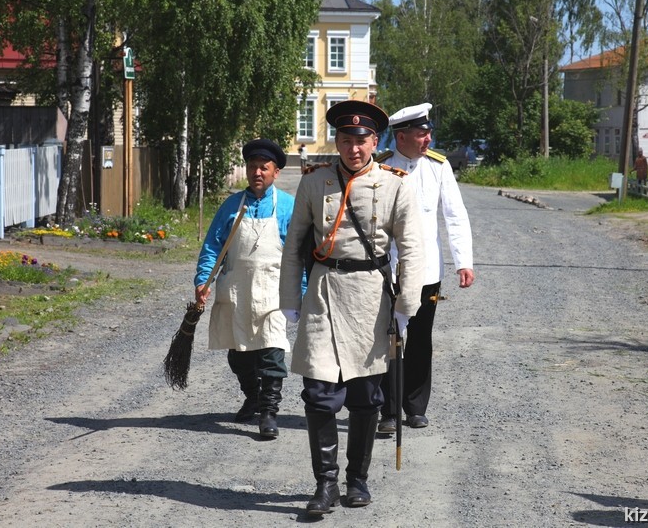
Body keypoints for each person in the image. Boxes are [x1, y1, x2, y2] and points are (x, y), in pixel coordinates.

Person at [279, 100, 425, 515]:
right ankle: (325, 485)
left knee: (365, 395)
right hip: (323, 292)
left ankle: (356, 480)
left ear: (374, 142)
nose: (353, 148)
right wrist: (289, 298)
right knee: (319, 394)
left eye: (361, 140)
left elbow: (411, 248)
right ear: (338, 142)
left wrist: (404, 304)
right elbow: (294, 245)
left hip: (370, 297)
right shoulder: (314, 182)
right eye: (346, 140)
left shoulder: (395, 185)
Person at [376, 102, 475, 433]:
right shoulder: (381, 167)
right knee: (390, 338)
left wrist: (464, 261)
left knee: (420, 338)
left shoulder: (438, 166)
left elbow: (455, 214)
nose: (428, 140)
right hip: (389, 269)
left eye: (429, 133)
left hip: (428, 272)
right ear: (401, 136)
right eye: (421, 134)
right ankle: (388, 411)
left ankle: (415, 406)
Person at [195, 138, 295, 439]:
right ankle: (252, 396)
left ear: (275, 172)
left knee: (272, 353)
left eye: (263, 167)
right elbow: (212, 247)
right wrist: (203, 280)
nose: (257, 172)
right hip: (236, 291)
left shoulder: (288, 206)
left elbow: (299, 252)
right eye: (252, 167)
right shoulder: (231, 206)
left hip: (273, 292)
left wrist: (300, 290)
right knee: (238, 355)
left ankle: (268, 412)